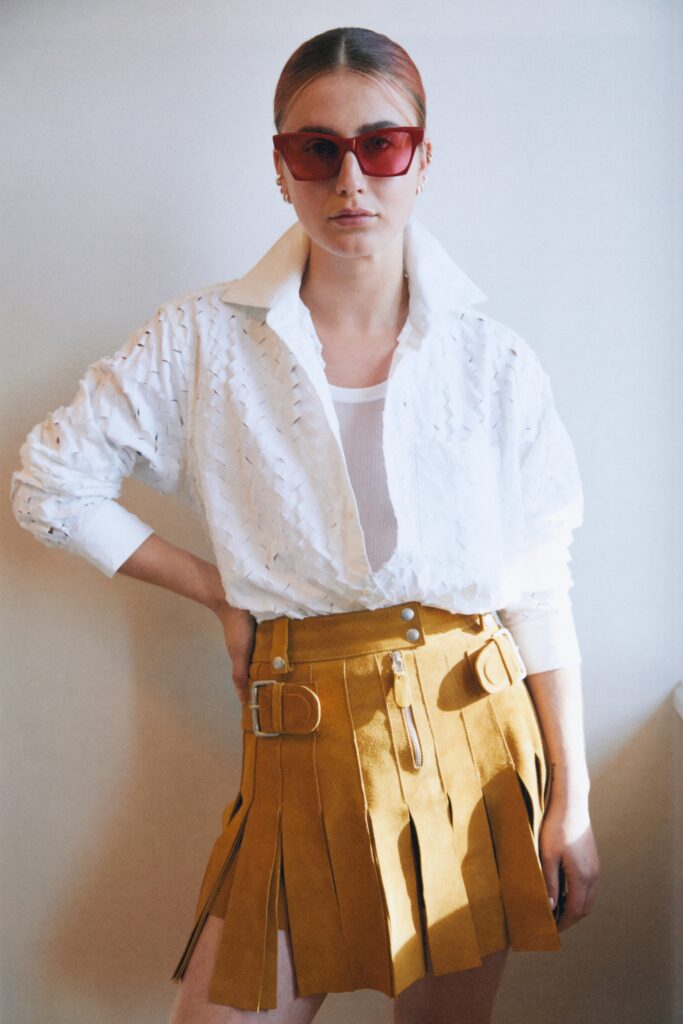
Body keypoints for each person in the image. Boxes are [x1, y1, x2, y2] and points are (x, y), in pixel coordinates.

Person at [9, 25, 600, 1024]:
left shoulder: (491, 361)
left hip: (475, 730)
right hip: (300, 736)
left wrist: (570, 803)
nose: (351, 181)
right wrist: (217, 589)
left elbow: (538, 584)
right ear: (280, 166)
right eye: (315, 149)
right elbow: (48, 485)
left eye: (381, 145)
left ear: (421, 159)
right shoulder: (199, 342)